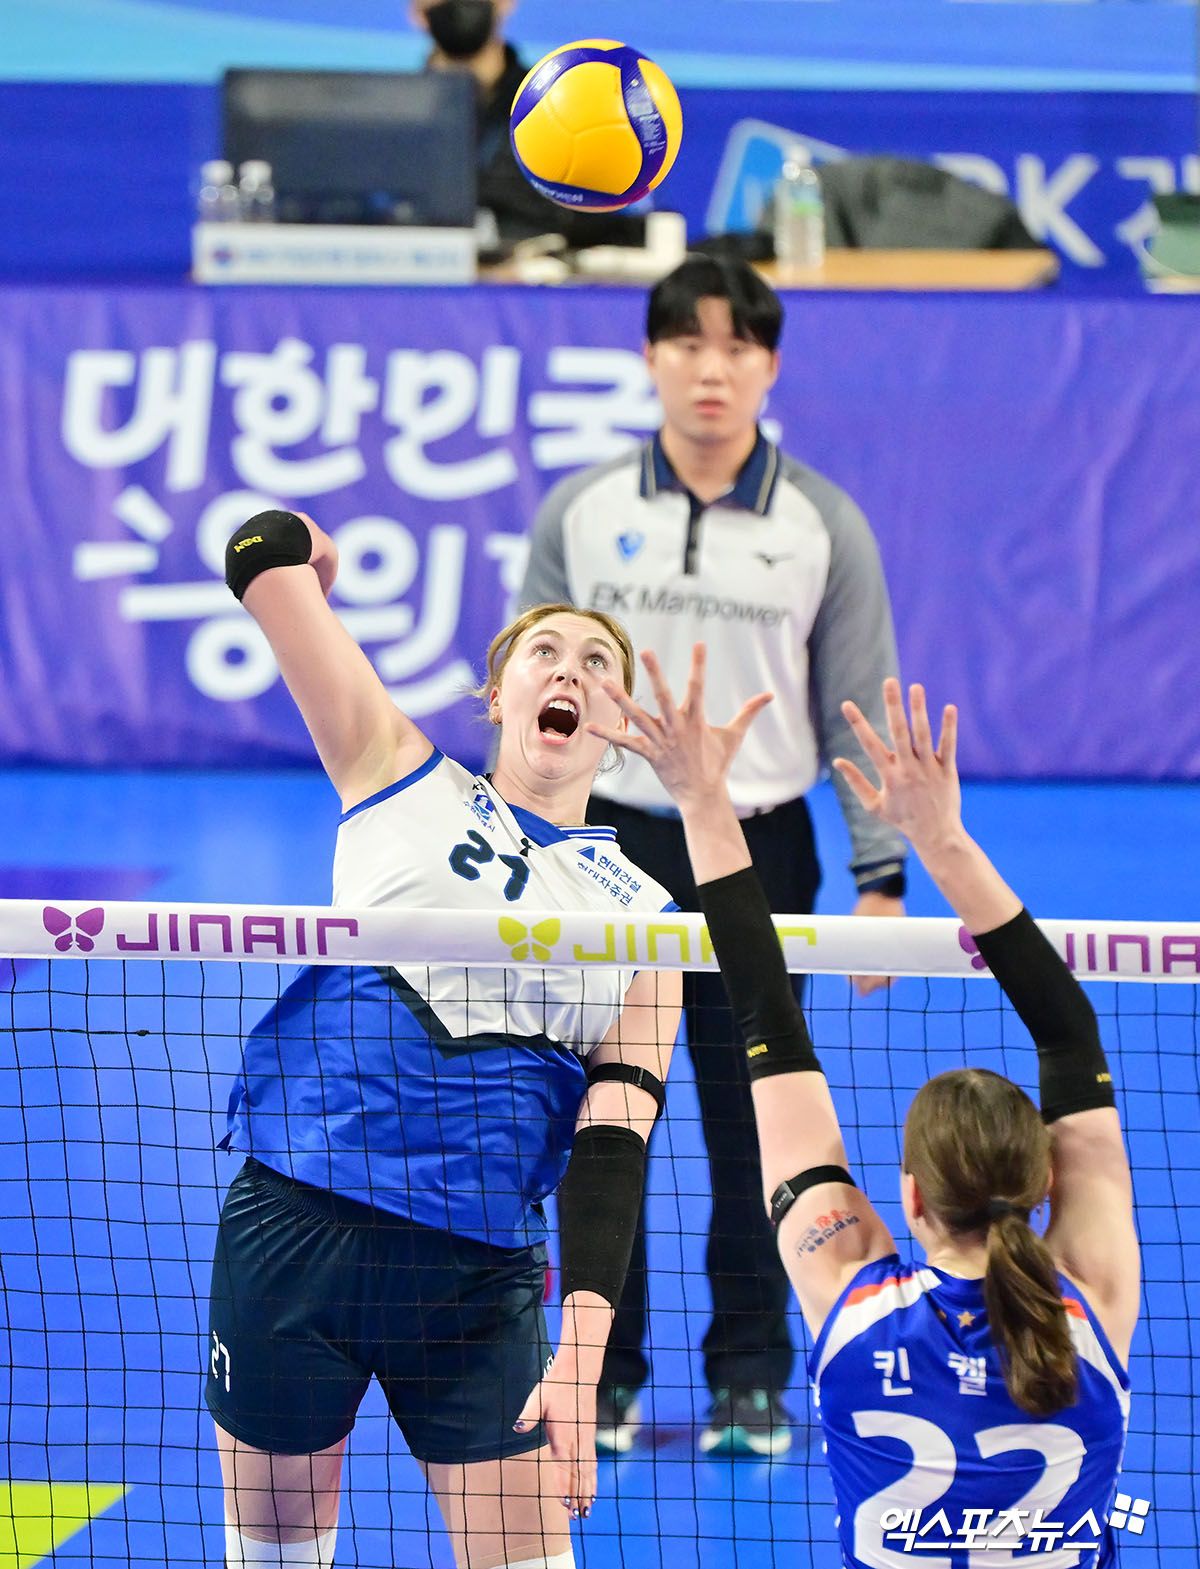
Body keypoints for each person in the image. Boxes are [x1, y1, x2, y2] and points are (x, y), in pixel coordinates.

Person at [207, 507, 682, 1569]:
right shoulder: (393, 767)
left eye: (598, 663)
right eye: (544, 651)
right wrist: (319, 557)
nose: (569, 668)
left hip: (474, 1283)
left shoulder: (650, 922)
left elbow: (614, 1144)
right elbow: (256, 551)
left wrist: (582, 1356)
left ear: (618, 719)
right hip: (295, 1231)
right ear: (499, 692)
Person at [589, 649, 1136, 1564]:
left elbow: (767, 1020)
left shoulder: (851, 1299)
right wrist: (942, 841)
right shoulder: (1092, 1307)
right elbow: (1071, 1032)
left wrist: (702, 801)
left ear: (909, 1196)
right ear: (1048, 1182)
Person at [517, 253, 907, 1457]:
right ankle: (606, 1375)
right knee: (601, 1116)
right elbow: (534, 690)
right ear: (651, 357)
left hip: (761, 848)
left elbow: (858, 699)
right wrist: (525, 843)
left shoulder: (822, 524)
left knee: (759, 1123)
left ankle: (752, 1375)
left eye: (737, 346)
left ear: (769, 367)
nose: (711, 369)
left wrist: (882, 880)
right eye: (687, 342)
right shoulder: (581, 513)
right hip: (610, 842)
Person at [408, 0, 648, 253]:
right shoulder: (395, 121)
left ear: (507, 3)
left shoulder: (567, 111)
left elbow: (604, 223)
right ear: (415, 9)